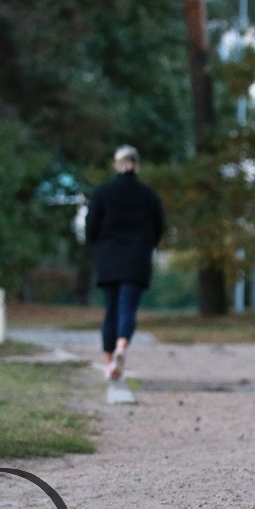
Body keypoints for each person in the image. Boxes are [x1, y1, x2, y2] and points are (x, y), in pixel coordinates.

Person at [85, 145, 165, 381]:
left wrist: (102, 242)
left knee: (111, 310)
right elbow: (159, 228)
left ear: (115, 164)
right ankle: (122, 346)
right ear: (137, 164)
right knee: (127, 307)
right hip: (137, 258)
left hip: (110, 257)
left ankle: (109, 363)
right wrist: (145, 244)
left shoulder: (103, 193)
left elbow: (90, 228)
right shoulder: (148, 195)